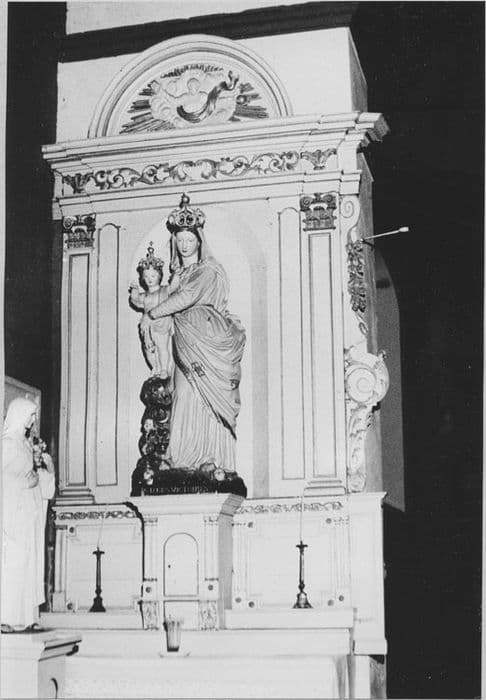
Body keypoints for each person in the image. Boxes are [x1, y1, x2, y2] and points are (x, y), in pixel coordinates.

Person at [139, 194, 245, 473]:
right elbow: (167, 294)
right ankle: (182, 458)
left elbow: (186, 297)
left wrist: (153, 314)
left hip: (206, 336)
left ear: (199, 241)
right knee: (183, 394)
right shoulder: (179, 274)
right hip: (184, 338)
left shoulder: (207, 270)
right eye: (180, 240)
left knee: (204, 397)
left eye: (189, 239)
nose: (185, 245)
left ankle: (209, 457)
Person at [1, 397, 55, 632]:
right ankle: (7, 617)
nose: (33, 420)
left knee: (30, 565)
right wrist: (27, 480)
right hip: (13, 514)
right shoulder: (7, 444)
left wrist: (46, 471)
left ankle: (26, 617)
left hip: (28, 513)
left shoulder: (24, 444)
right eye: (30, 415)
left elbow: (34, 478)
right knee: (14, 565)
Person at [129, 244, 175, 379]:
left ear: (159, 276)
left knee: (162, 347)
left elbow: (174, 287)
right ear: (143, 278)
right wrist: (134, 291)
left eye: (153, 276)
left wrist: (176, 273)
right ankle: (155, 367)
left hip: (161, 324)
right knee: (148, 350)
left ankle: (164, 369)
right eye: (147, 276)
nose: (150, 279)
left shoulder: (164, 290)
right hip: (147, 327)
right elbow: (135, 301)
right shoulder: (145, 295)